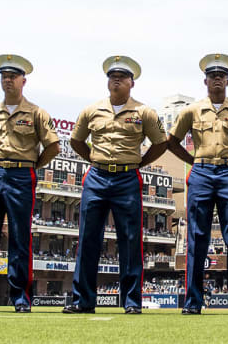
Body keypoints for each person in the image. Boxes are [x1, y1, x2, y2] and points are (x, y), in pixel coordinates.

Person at [65, 56, 168, 314]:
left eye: (122, 77)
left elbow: (161, 143)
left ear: (132, 83)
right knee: (88, 238)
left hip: (127, 178)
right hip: (97, 177)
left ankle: (131, 301)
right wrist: (94, 159)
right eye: (112, 76)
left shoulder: (144, 112)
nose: (116, 80)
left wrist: (140, 163)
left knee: (130, 241)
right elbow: (76, 141)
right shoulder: (91, 110)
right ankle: (82, 300)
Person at [166, 53, 228, 315]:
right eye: (213, 76)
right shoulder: (192, 110)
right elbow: (171, 141)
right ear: (205, 81)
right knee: (196, 238)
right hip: (200, 173)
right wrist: (193, 161)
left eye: (221, 76)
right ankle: (193, 302)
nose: (217, 80)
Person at [0, 54, 60, 313]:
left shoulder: (37, 113)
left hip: (21, 175)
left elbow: (53, 146)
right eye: (4, 76)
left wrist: (31, 164)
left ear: (23, 80)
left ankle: (20, 298)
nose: (7, 80)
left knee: (20, 237)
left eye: (12, 76)